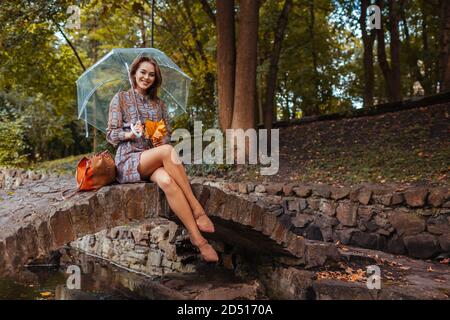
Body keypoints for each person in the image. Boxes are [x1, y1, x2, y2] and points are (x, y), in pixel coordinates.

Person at [106, 56, 218, 262]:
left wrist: (154, 133)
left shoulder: (159, 105)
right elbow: (111, 135)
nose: (146, 77)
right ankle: (198, 210)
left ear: (155, 79)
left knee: (167, 181)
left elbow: (165, 139)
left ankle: (198, 241)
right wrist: (130, 134)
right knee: (167, 152)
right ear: (134, 73)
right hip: (129, 160)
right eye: (142, 72)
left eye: (151, 74)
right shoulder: (120, 98)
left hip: (152, 157)